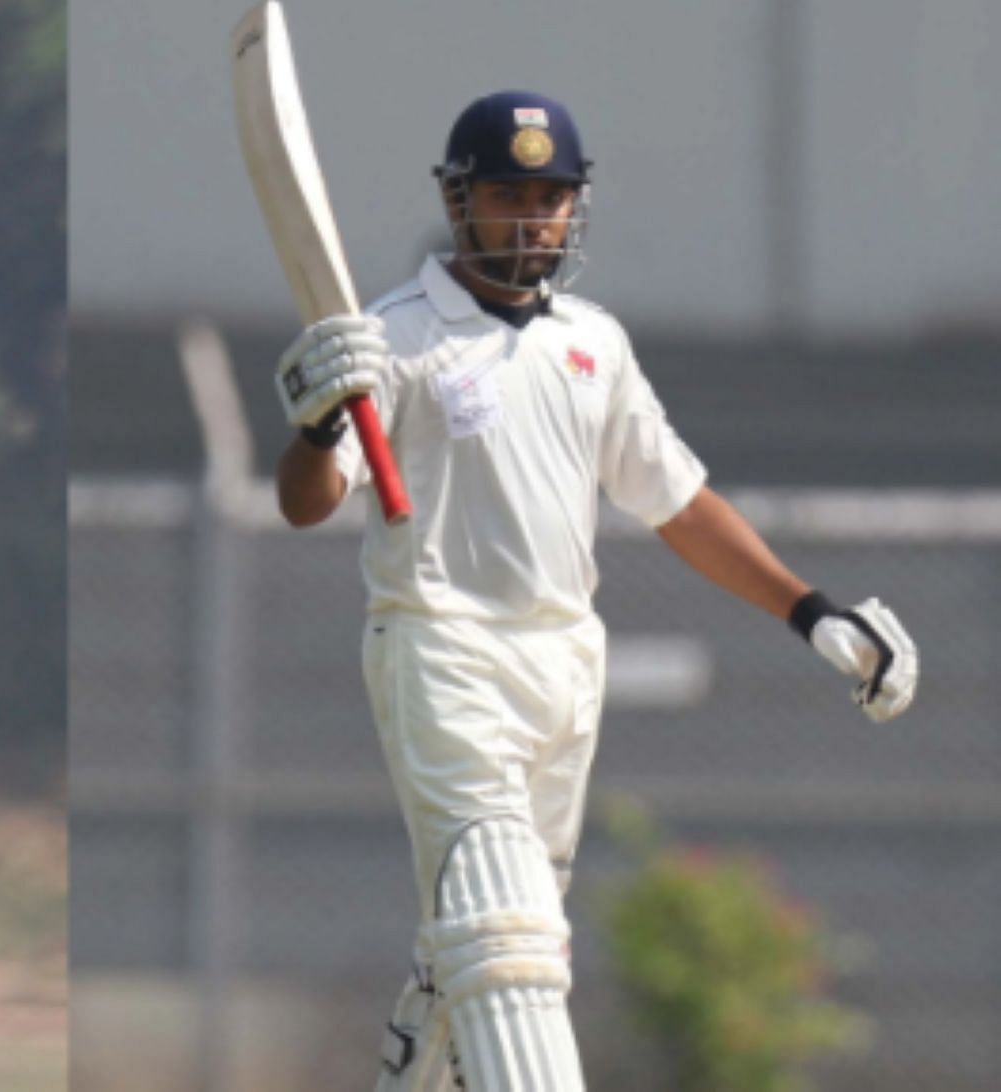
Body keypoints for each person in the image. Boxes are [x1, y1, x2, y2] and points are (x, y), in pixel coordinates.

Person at [270, 90, 917, 1092]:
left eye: (551, 195)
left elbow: (678, 503)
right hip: (443, 650)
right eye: (508, 193)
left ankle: (415, 1055)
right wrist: (315, 425)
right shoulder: (393, 339)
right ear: (459, 202)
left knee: (505, 951)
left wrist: (808, 607)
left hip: (563, 665)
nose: (533, 217)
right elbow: (307, 502)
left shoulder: (593, 344)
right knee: (505, 936)